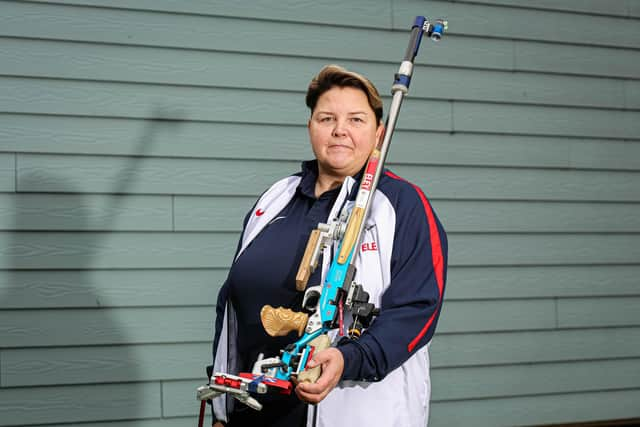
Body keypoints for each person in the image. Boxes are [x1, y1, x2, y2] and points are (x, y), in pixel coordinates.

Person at [210, 64, 447, 427]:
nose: (340, 130)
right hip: (255, 409)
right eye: (326, 118)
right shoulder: (275, 198)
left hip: (353, 412)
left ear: (379, 134)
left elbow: (417, 310)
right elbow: (232, 306)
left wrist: (348, 359)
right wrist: (223, 408)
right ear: (310, 127)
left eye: (356, 119)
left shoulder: (401, 205)